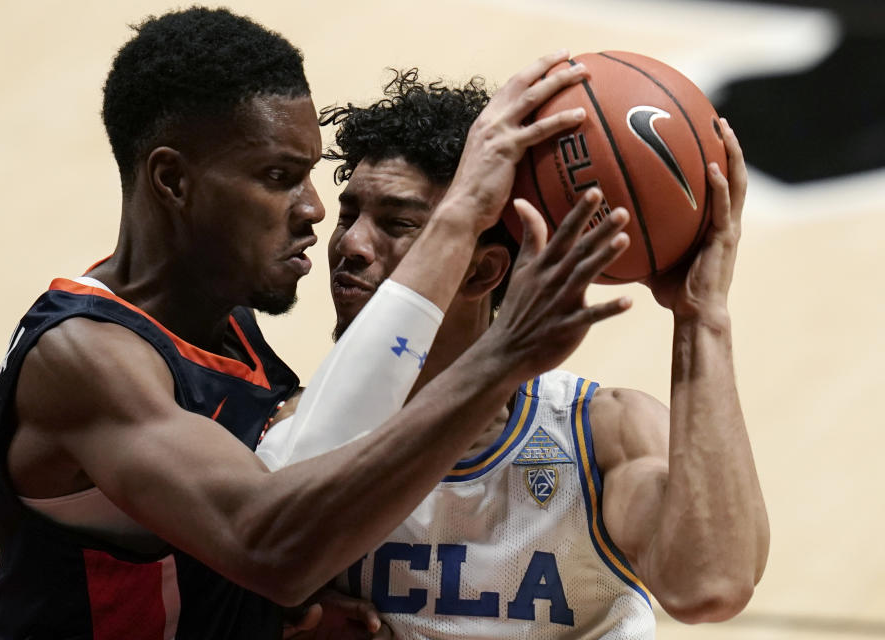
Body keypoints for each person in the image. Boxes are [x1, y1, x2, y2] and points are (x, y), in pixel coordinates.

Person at [0, 8, 632, 639]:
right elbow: (269, 550)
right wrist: (494, 337)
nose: (315, 210)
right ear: (174, 181)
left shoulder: (224, 325)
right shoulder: (84, 358)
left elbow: (270, 521)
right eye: (277, 177)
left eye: (309, 174)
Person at [258, 70, 768, 638]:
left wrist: (703, 319)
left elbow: (710, 585)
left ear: (483, 270)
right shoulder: (297, 434)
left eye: (399, 225)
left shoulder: (600, 436)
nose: (350, 245)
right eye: (350, 215)